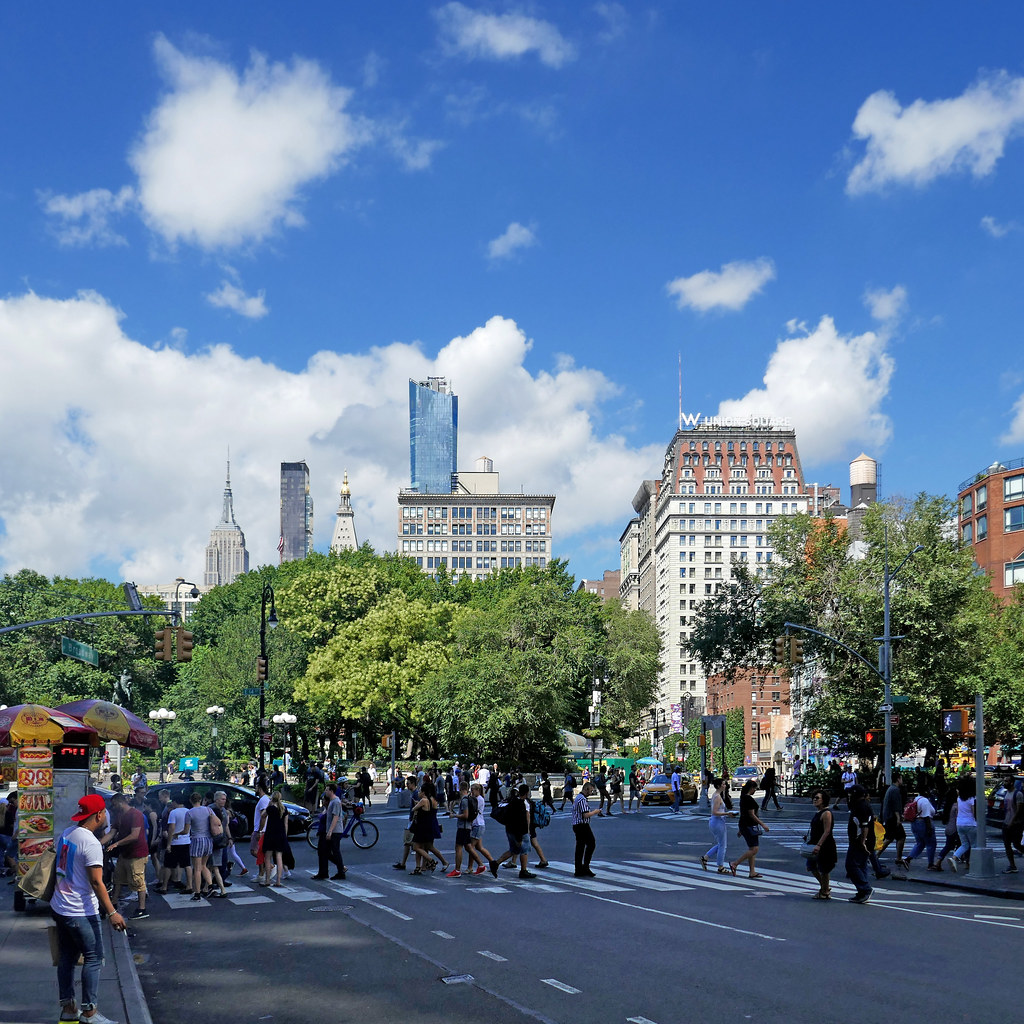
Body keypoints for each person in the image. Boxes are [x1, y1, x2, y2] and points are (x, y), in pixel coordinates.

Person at [51, 794, 127, 1024]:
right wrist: (112, 912)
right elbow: (96, 882)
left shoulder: (67, 834)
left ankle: (68, 1008)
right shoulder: (91, 843)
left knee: (67, 957)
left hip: (60, 906)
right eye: (104, 812)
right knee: (93, 958)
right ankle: (89, 1013)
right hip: (80, 911)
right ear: (99, 815)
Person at [106, 793, 151, 920]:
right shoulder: (120, 816)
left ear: (120, 802)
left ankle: (142, 909)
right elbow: (112, 832)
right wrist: (98, 843)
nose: (113, 807)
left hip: (137, 853)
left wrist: (116, 844)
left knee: (138, 881)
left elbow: (134, 835)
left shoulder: (135, 814)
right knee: (118, 879)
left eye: (114, 804)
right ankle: (113, 904)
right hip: (124, 853)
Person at [186, 792, 227, 900]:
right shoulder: (208, 810)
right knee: (204, 865)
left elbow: (186, 830)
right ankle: (210, 885)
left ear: (191, 801)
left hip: (197, 840)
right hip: (208, 840)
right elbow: (217, 821)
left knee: (197, 869)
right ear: (200, 800)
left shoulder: (190, 812)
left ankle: (197, 893)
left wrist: (177, 834)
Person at [491, 784, 537, 879]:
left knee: (513, 850)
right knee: (524, 850)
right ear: (527, 793)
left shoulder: (512, 801)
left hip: (510, 830)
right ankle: (523, 870)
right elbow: (522, 821)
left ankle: (496, 863)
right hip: (520, 832)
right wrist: (525, 833)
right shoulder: (523, 804)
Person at [731, 779, 770, 877]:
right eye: (755, 789)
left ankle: (752, 871)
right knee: (754, 849)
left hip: (744, 824)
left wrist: (741, 829)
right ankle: (735, 863)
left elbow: (744, 814)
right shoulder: (748, 799)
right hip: (749, 825)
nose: (755, 791)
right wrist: (763, 824)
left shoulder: (743, 797)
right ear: (751, 788)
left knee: (752, 848)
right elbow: (751, 814)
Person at [411, 780, 449, 874]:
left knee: (420, 846)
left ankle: (431, 861)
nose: (419, 792)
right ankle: (423, 866)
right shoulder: (434, 800)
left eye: (420, 791)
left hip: (424, 825)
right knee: (428, 846)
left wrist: (417, 804)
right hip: (432, 824)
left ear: (424, 792)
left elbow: (415, 809)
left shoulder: (425, 800)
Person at [805, 789, 837, 899]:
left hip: (825, 845)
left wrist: (819, 845)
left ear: (824, 800)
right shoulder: (818, 812)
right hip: (814, 842)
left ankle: (824, 891)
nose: (815, 799)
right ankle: (825, 888)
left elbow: (827, 831)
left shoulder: (826, 813)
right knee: (811, 866)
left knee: (824, 869)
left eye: (817, 798)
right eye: (814, 797)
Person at [845, 785, 875, 904]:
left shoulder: (861, 807)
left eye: (851, 794)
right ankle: (862, 891)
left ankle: (865, 889)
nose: (849, 796)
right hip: (863, 840)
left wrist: (863, 841)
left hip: (860, 841)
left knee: (851, 865)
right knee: (861, 865)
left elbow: (864, 826)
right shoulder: (862, 805)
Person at [311, 783, 347, 881]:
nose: (325, 792)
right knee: (325, 851)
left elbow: (336, 817)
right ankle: (324, 872)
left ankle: (341, 872)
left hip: (335, 831)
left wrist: (330, 831)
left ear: (331, 791)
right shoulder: (332, 801)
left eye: (326, 790)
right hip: (332, 830)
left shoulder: (335, 801)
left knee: (335, 851)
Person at [701, 777, 736, 874]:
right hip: (717, 822)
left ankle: (705, 858)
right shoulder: (717, 796)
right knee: (722, 845)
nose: (725, 786)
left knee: (721, 844)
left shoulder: (717, 795)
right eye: (724, 784)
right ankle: (720, 867)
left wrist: (727, 814)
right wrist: (727, 814)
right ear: (719, 786)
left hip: (717, 822)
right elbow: (715, 812)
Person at [946, 778, 977, 872]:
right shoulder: (973, 798)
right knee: (974, 845)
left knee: (964, 844)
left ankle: (954, 858)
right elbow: (974, 812)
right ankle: (975, 864)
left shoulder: (959, 798)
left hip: (960, 823)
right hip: (971, 823)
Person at [261, 791, 291, 886]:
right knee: (279, 857)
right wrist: (285, 835)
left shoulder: (270, 808)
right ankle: (278, 880)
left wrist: (268, 806)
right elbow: (286, 824)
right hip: (280, 834)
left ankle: (267, 880)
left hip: (270, 833)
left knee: (268, 857)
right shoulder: (284, 809)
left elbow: (263, 815)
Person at [903, 789, 938, 871]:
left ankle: (908, 859)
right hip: (923, 823)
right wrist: (929, 829)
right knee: (931, 843)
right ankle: (930, 864)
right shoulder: (925, 801)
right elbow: (926, 816)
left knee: (920, 843)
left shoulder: (916, 799)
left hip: (914, 823)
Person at [877, 772, 907, 867]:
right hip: (892, 818)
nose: (902, 780)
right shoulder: (895, 790)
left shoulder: (891, 789)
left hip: (889, 817)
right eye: (901, 778)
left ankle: (898, 858)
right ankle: (875, 856)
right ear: (898, 779)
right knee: (892, 838)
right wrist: (899, 817)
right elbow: (896, 806)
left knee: (897, 837)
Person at [572, 781, 600, 877]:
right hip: (582, 825)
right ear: (586, 789)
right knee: (590, 844)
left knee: (581, 847)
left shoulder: (579, 798)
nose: (591, 793)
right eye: (591, 790)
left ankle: (579, 868)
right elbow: (585, 815)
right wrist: (595, 812)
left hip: (578, 825)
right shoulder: (582, 800)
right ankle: (584, 867)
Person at [393, 777, 421, 871]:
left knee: (411, 843)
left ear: (413, 784)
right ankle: (403, 863)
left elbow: (417, 808)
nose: (406, 785)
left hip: (413, 821)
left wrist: (413, 820)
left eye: (408, 783)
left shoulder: (416, 794)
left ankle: (424, 862)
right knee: (407, 843)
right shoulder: (413, 793)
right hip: (412, 820)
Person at [1002, 779, 1024, 873]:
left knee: (1017, 844)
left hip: (1016, 824)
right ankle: (1012, 865)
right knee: (1007, 845)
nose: (1004, 783)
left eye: (1006, 781)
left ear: (1011, 782)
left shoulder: (1018, 794)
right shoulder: (1006, 793)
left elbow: (1019, 810)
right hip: (1006, 823)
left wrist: (1012, 821)